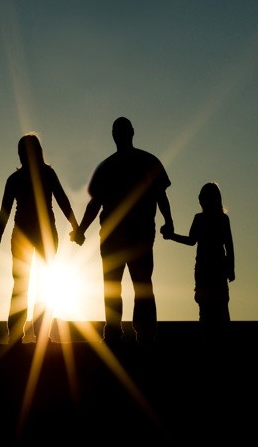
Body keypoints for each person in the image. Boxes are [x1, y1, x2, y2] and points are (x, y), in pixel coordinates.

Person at [72, 117, 173, 345]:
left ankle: (120, 333)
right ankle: (137, 333)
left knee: (123, 285)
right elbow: (160, 196)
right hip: (133, 234)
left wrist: (81, 230)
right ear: (131, 133)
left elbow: (95, 203)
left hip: (122, 236)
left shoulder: (108, 166)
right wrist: (169, 221)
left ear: (117, 136)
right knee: (138, 284)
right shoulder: (147, 161)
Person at [0, 133, 79, 345]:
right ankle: (37, 334)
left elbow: (4, 213)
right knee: (40, 284)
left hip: (25, 234)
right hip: (39, 234)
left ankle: (20, 335)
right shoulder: (46, 174)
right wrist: (75, 226)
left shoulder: (18, 178)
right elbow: (62, 201)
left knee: (23, 285)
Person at [163, 181, 235, 343]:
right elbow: (229, 246)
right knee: (218, 306)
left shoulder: (204, 219)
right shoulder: (221, 219)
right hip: (213, 268)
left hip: (207, 268)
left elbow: (191, 241)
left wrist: (171, 236)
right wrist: (231, 268)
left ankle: (209, 338)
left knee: (210, 307)